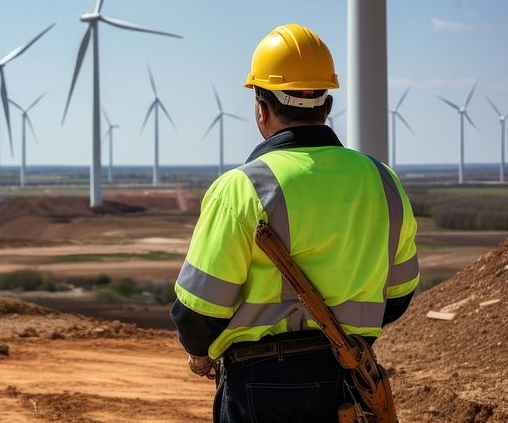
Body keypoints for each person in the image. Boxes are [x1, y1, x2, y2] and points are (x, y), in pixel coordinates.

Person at [171, 23, 419, 423]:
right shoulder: (385, 182)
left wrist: (200, 350)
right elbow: (399, 296)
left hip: (263, 388)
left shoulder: (243, 188)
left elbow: (198, 313)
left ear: (261, 107)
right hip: (352, 380)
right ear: (328, 104)